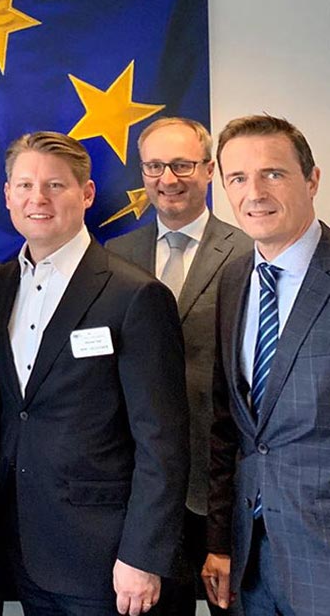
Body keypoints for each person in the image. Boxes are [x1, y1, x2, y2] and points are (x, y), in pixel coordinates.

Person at [0, 131, 188, 615]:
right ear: (8, 195)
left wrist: (142, 556)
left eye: (55, 185)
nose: (38, 198)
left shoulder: (135, 295)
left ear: (86, 194)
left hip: (107, 558)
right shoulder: (0, 284)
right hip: (25, 549)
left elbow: (162, 440)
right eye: (25, 185)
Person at [105, 118, 251, 616]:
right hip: (143, 488)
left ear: (209, 170)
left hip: (221, 486)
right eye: (154, 166)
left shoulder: (248, 251)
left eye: (182, 165)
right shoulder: (115, 256)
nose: (167, 179)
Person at [206, 115, 330, 615]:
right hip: (250, 561)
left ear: (312, 179)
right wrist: (221, 540)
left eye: (272, 174)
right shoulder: (235, 279)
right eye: (237, 178)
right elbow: (228, 427)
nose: (254, 193)